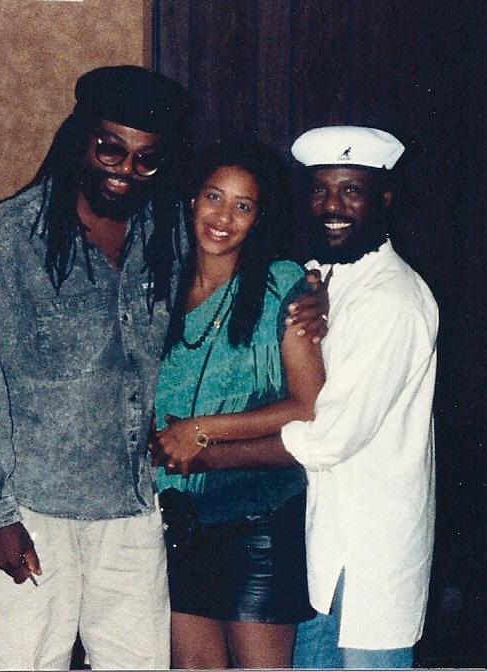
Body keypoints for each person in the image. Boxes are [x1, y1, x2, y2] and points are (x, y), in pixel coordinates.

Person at [0, 65, 327, 670]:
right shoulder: (11, 239)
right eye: (111, 149)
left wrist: (311, 288)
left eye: (145, 159)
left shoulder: (166, 230)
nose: (125, 170)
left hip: (134, 506)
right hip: (37, 509)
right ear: (81, 139)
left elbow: (241, 256)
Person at [161, 126, 439, 669]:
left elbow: (327, 437)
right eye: (320, 191)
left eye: (351, 191)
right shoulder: (324, 278)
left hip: (366, 548)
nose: (332, 206)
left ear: (384, 198)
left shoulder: (394, 301)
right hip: (318, 541)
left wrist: (202, 447)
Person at [150, 142, 325, 669]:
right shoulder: (157, 284)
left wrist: (202, 429)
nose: (223, 217)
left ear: (258, 218)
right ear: (192, 200)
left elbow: (309, 406)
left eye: (242, 206)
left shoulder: (281, 284)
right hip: (176, 523)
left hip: (259, 521)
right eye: (214, 197)